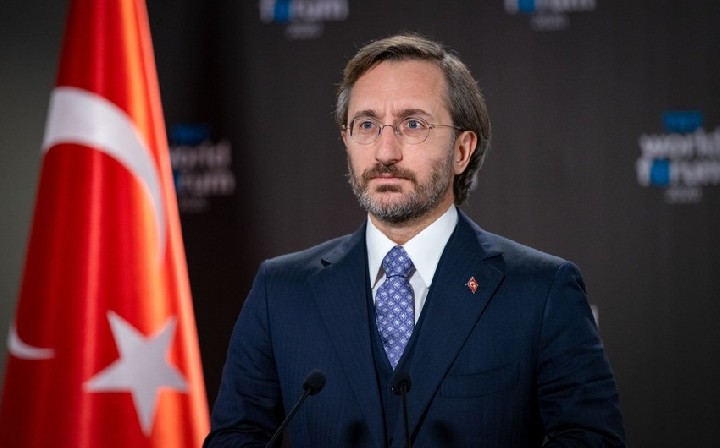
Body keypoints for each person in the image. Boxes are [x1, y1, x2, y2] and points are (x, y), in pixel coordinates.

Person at [204, 33, 625, 447]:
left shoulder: (540, 291)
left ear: (461, 151)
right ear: (347, 140)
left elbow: (592, 439)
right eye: (367, 125)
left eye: (412, 124)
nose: (385, 152)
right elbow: (235, 437)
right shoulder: (281, 291)